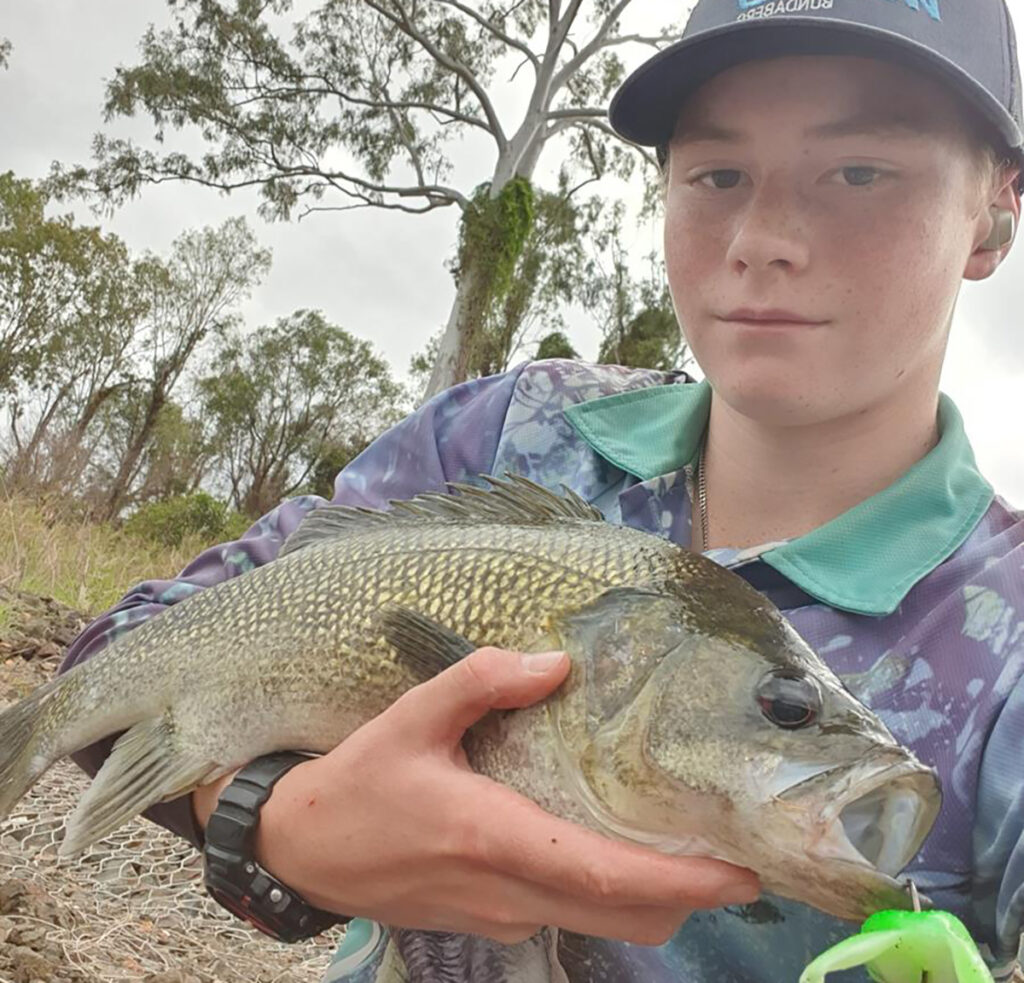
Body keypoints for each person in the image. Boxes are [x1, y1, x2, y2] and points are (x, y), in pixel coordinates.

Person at [60, 0, 1024, 979]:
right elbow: (119, 659)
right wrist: (282, 827)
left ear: (992, 212)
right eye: (717, 174)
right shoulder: (510, 435)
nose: (763, 236)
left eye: (860, 172)